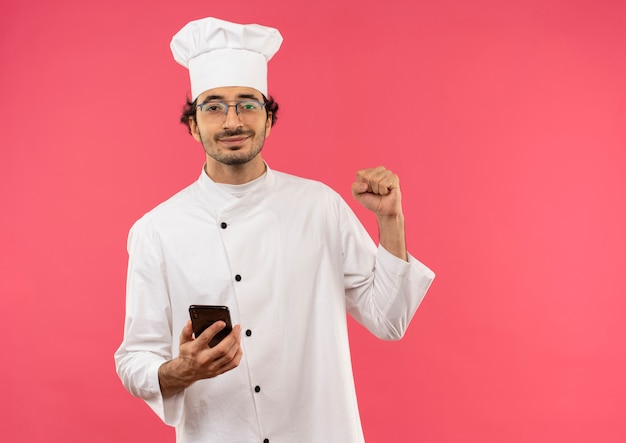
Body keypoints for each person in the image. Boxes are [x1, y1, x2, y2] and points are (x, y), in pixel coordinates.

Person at [114, 17, 435, 443]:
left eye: (248, 104)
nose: (233, 121)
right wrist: (180, 370)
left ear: (269, 119)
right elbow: (134, 359)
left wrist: (391, 221)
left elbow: (389, 319)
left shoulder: (319, 206)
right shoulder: (157, 230)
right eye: (213, 106)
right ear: (193, 125)